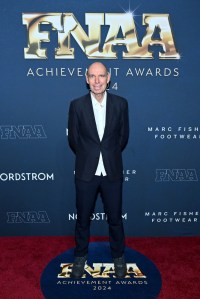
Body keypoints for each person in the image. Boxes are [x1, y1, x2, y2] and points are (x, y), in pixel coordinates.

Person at [68, 62, 129, 279]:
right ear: (86, 78)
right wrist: (90, 155)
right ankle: (80, 256)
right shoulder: (76, 105)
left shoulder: (121, 104)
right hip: (86, 172)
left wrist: (108, 154)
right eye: (92, 76)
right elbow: (73, 140)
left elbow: (123, 138)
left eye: (101, 76)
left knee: (115, 219)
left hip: (112, 171)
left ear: (108, 77)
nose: (96, 81)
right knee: (83, 219)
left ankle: (119, 257)